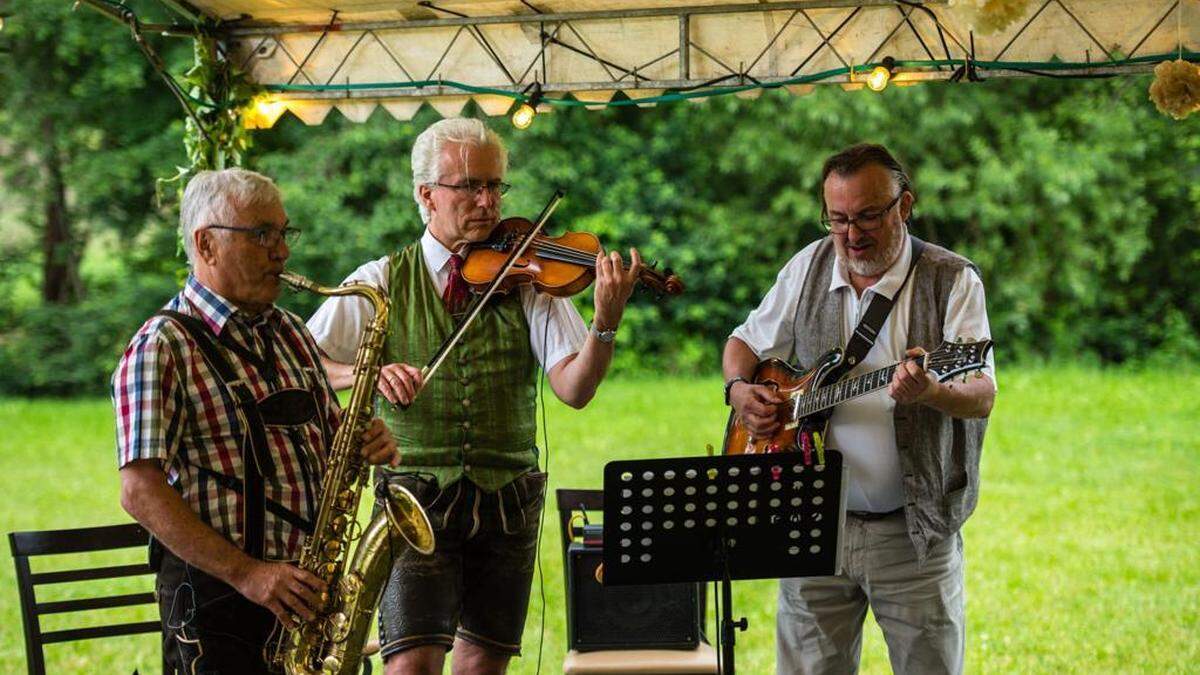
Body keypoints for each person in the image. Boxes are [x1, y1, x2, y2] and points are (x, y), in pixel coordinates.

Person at [306, 117, 640, 674]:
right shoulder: (382, 279)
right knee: (411, 665)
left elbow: (574, 388)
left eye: (495, 186)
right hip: (415, 498)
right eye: (469, 186)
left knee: (483, 666)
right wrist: (366, 372)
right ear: (427, 195)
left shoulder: (528, 275)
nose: (487, 201)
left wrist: (605, 322)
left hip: (507, 500)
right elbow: (303, 362)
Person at [722, 144, 996, 674]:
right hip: (809, 527)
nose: (851, 234)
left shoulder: (952, 279)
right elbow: (744, 344)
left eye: (868, 215)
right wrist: (738, 391)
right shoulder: (808, 265)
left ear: (905, 206)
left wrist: (932, 392)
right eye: (838, 219)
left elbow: (982, 392)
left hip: (914, 537)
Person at [113, 168, 398, 674]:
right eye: (262, 234)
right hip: (219, 608)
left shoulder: (289, 330)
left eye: (284, 233)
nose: (282, 251)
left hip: (306, 597)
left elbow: (329, 442)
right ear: (207, 244)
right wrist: (249, 574)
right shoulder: (162, 346)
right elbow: (139, 492)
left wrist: (362, 443)